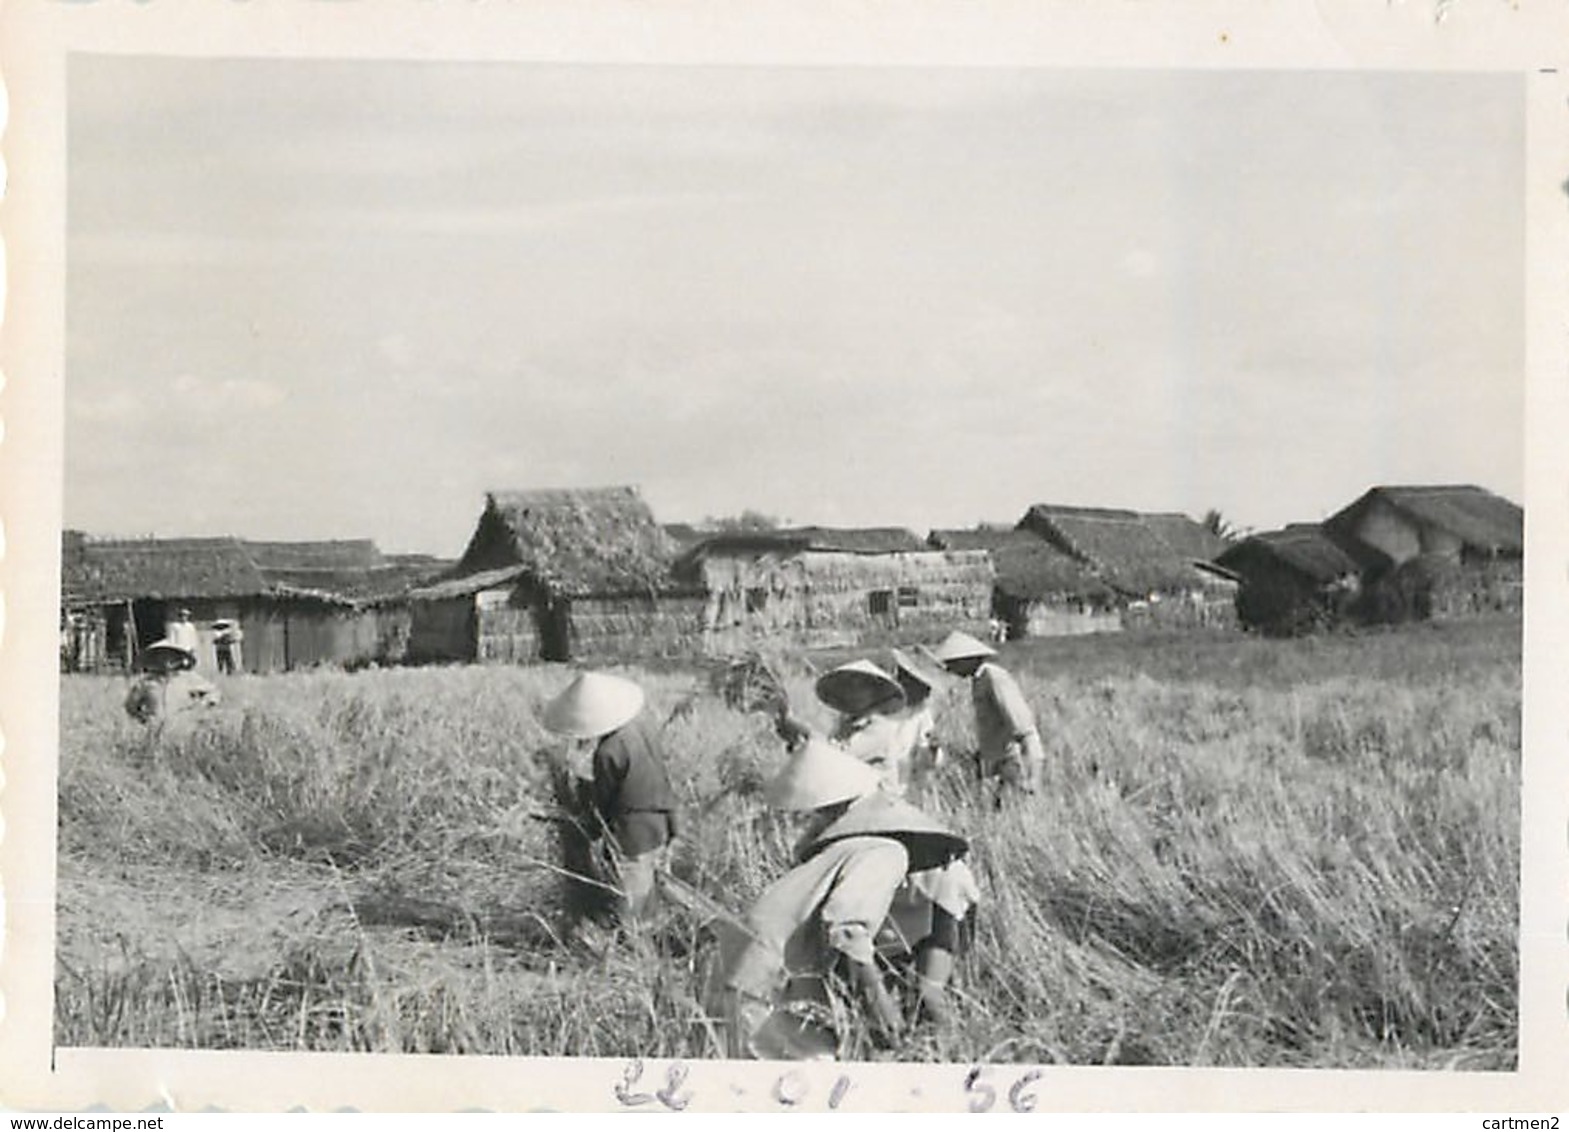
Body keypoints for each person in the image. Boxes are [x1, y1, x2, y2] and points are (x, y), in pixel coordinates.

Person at [709, 738, 979, 1060]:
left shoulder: (841, 854)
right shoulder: (888, 852)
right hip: (767, 988)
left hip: (742, 973)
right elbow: (847, 928)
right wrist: (879, 1003)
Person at [541, 671, 683, 927]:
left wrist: (584, 822)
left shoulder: (608, 752)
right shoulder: (644, 730)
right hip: (662, 823)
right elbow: (658, 779)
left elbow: (604, 805)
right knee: (650, 896)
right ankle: (657, 944)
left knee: (632, 907)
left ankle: (636, 954)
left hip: (632, 835)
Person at [933, 629, 1045, 800]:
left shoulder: (993, 677)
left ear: (967, 658)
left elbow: (1025, 729)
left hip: (1014, 764)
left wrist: (1033, 777)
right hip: (998, 765)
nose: (949, 669)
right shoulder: (979, 680)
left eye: (952, 663)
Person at [123, 639, 221, 725]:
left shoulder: (188, 678)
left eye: (171, 657)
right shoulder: (145, 683)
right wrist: (144, 719)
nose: (167, 661)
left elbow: (214, 692)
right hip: (155, 729)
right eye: (162, 657)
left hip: (184, 727)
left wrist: (200, 706)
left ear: (178, 660)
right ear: (155, 660)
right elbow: (130, 706)